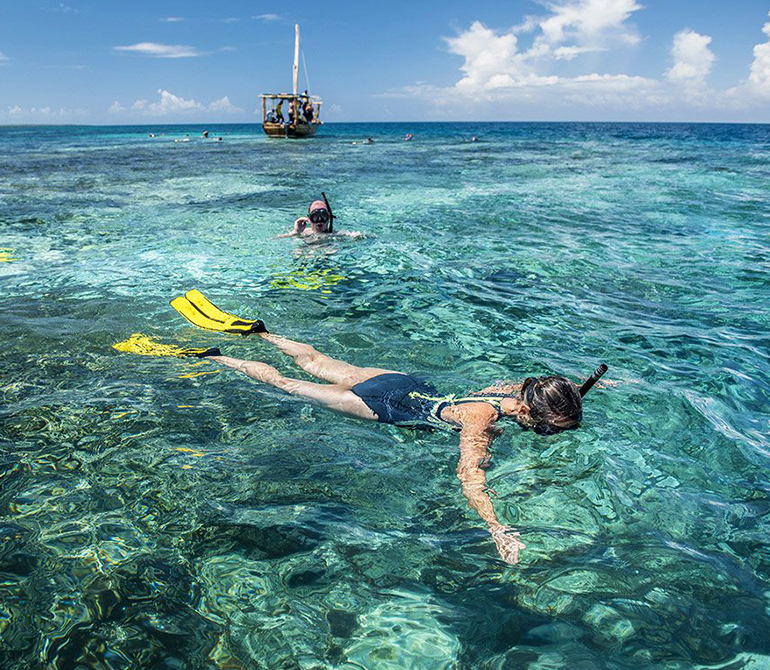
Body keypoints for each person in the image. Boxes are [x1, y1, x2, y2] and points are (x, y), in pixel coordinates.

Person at [167, 292, 606, 565]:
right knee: (289, 385)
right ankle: (214, 356)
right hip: (388, 405)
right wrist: (497, 529)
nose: (550, 435)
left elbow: (555, 396)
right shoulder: (483, 420)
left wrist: (579, 393)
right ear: (531, 416)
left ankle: (261, 332)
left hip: (404, 382)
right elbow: (470, 477)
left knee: (315, 360)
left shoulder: (513, 392)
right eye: (549, 430)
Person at [278, 198, 362, 239]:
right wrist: (295, 232)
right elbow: (274, 240)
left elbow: (358, 235)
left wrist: (357, 236)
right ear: (309, 219)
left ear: (329, 218)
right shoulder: (304, 233)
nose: (319, 219)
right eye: (315, 216)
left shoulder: (336, 234)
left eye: (323, 215)